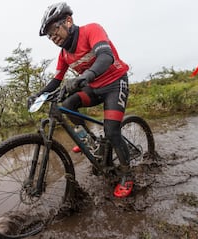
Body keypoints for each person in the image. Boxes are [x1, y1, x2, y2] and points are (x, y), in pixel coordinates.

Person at [28, 2, 132, 198]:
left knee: (111, 130)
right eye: (49, 35)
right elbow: (56, 80)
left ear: (68, 21)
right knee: (67, 105)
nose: (53, 37)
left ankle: (127, 174)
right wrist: (38, 95)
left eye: (54, 30)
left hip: (115, 83)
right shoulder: (64, 54)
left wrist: (85, 76)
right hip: (94, 88)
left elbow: (105, 56)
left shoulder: (91, 30)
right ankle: (91, 141)